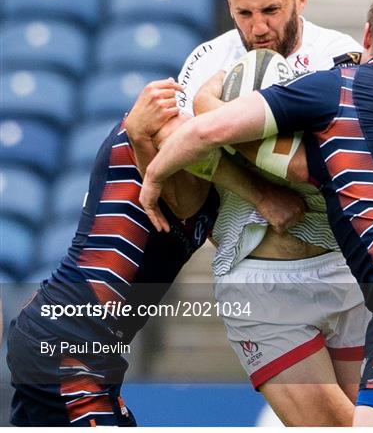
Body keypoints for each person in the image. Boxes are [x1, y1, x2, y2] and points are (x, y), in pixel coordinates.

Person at [140, 0, 373, 427]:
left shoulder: (340, 87)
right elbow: (318, 166)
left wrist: (157, 171)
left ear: (367, 36)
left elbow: (208, 131)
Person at [160, 0, 371, 426]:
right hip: (258, 280)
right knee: (332, 426)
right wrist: (257, 192)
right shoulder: (206, 62)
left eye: (271, 10)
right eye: (243, 13)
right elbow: (185, 175)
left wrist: (217, 121)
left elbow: (335, 163)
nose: (257, 28)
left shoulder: (337, 57)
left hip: (345, 269)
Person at [6, 79, 302, 427]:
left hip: (86, 346)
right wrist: (263, 196)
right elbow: (181, 201)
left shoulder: (216, 180)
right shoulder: (156, 129)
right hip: (70, 340)